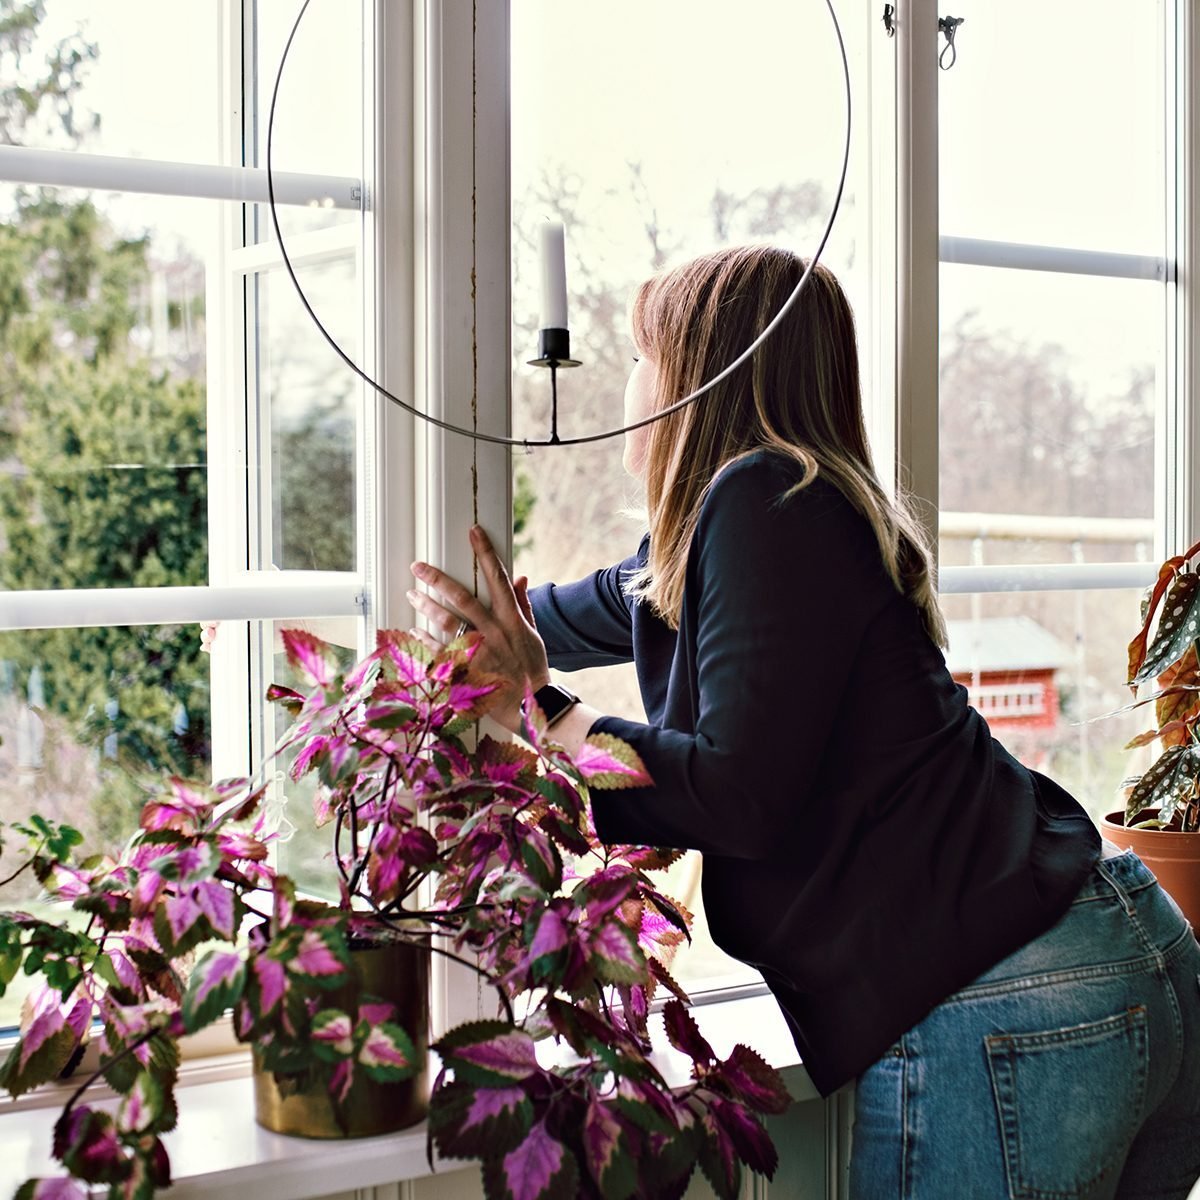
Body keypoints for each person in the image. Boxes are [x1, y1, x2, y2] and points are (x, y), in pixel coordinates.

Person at [407, 245, 1200, 1199]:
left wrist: (537, 711)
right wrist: (488, 642)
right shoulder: (771, 514)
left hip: (1017, 995)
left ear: (695, 379)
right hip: (1115, 951)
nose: (629, 385)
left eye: (640, 356)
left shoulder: (763, 500)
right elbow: (572, 617)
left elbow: (739, 794)